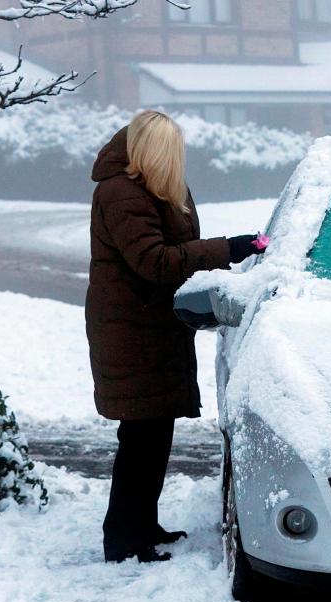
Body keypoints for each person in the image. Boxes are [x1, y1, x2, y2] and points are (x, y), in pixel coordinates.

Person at [86, 110, 265, 563]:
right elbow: (155, 261)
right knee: (141, 437)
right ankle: (124, 539)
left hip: (151, 326)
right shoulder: (121, 193)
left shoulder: (154, 189)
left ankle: (141, 525)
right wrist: (228, 248)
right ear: (152, 151)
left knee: (153, 434)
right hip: (132, 331)